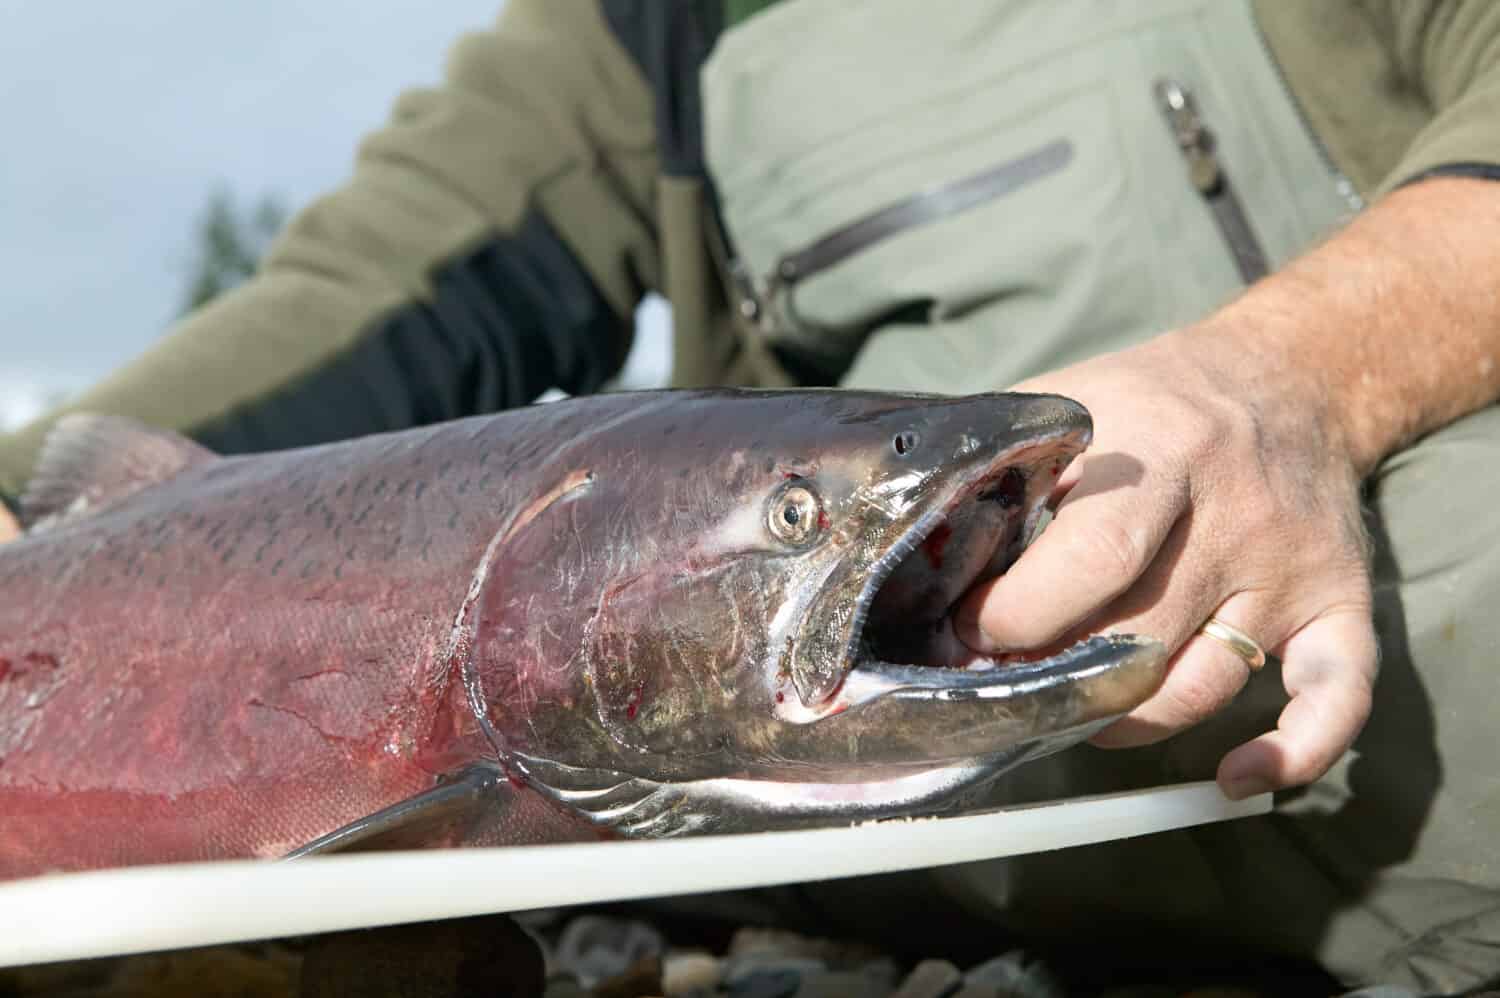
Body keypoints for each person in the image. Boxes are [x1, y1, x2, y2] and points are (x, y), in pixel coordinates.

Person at [2, 1, 1498, 991]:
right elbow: (385, 295)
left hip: (1378, 538)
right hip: (848, 734)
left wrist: (1292, 378)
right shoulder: (648, 29)